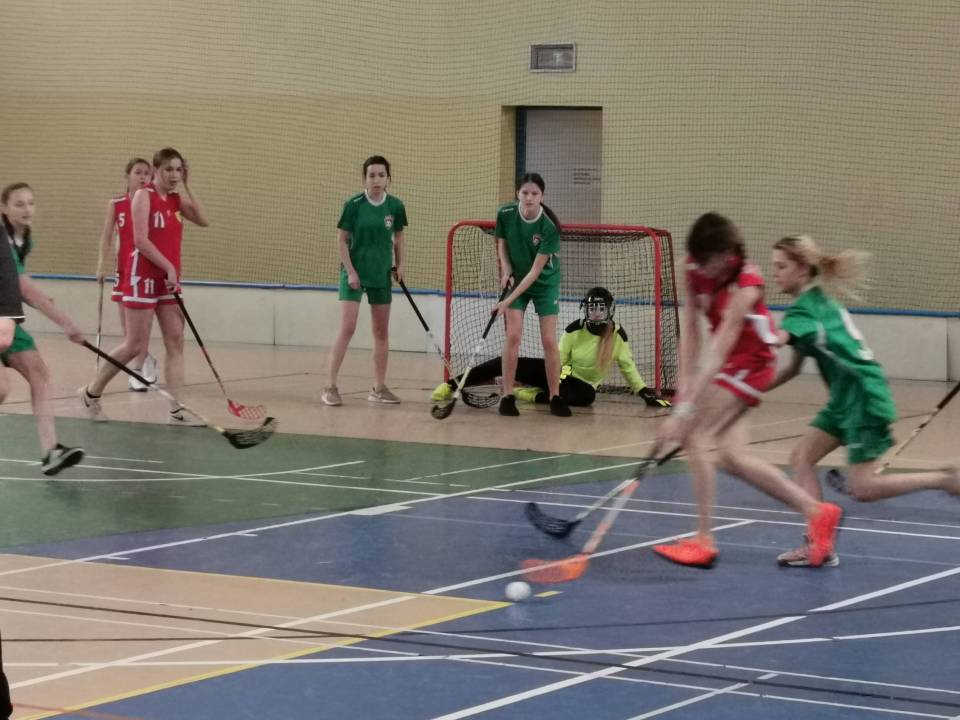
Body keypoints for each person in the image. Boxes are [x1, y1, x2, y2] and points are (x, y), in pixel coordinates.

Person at [652, 212, 842, 568]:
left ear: (727, 256)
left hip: (752, 362)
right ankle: (817, 512)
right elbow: (691, 334)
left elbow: (720, 346)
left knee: (694, 434)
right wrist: (682, 392)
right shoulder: (691, 267)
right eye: (696, 260)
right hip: (730, 364)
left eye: (707, 262)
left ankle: (704, 540)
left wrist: (685, 410)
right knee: (730, 455)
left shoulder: (747, 284)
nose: (700, 268)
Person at [766, 234, 959, 566]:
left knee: (864, 488)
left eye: (781, 266)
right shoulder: (819, 303)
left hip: (862, 396)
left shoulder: (803, 312)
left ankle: (943, 478)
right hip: (846, 398)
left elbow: (774, 341)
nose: (775, 274)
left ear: (802, 270)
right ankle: (818, 544)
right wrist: (753, 392)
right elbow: (793, 368)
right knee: (801, 458)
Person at [80, 147, 209, 424]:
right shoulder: (143, 195)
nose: (174, 175)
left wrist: (188, 184)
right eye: (168, 170)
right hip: (142, 276)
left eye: (178, 170)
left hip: (167, 280)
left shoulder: (175, 199)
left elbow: (203, 219)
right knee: (134, 345)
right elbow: (140, 240)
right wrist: (169, 267)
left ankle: (177, 411)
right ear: (156, 170)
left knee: (176, 341)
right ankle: (91, 393)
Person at [432, 287, 671, 409]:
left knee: (587, 398)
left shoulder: (617, 335)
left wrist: (643, 392)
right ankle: (451, 385)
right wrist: (557, 376)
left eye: (601, 308)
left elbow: (628, 366)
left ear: (609, 310)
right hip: (558, 375)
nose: (597, 313)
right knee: (503, 361)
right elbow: (558, 357)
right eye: (592, 308)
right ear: (585, 309)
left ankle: (526, 395)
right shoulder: (574, 329)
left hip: (582, 386)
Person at [1, 183, 86, 475]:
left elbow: (15, 283)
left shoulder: (25, 240)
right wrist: (66, 323)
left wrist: (40, 298)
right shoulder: (2, 239)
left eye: (30, 203)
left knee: (39, 372)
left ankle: (51, 451)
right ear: (3, 208)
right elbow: (25, 290)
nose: (27, 209)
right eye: (19, 204)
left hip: (6, 319)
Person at [322, 155, 407, 406]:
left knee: (381, 331)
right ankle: (330, 386)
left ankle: (379, 388)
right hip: (354, 273)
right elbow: (341, 240)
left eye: (381, 175)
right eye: (371, 175)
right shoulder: (353, 205)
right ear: (364, 179)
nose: (376, 180)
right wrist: (351, 272)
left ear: (388, 178)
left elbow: (399, 237)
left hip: (381, 273)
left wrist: (400, 264)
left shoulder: (395, 206)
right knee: (347, 327)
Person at [492, 173, 569, 417]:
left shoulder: (549, 226)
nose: (529, 197)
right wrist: (506, 269)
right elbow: (501, 243)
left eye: (535, 193)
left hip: (544, 284)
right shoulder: (505, 213)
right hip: (517, 279)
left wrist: (506, 300)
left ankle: (555, 396)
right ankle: (507, 396)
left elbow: (535, 272)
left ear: (542, 196)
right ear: (518, 193)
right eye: (525, 193)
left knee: (548, 340)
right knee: (513, 335)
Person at [95, 157, 157, 392]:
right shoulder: (117, 204)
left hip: (145, 270)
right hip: (123, 270)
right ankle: (145, 359)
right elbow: (106, 236)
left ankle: (138, 370)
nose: (143, 177)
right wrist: (102, 264)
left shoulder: (152, 203)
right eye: (138, 172)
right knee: (129, 331)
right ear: (127, 176)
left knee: (143, 326)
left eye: (147, 173)